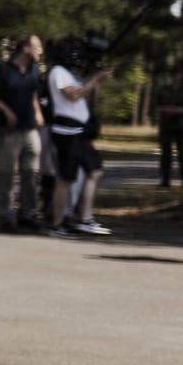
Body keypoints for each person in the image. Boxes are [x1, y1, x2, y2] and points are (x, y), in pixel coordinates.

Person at [46, 40, 113, 237]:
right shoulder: (58, 72)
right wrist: (96, 79)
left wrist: (94, 77)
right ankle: (57, 224)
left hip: (79, 131)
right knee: (65, 178)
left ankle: (86, 218)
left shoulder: (70, 74)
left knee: (95, 170)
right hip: (66, 131)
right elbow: (73, 95)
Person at [0, 34, 45, 229]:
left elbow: (33, 93)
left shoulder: (34, 69)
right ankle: (6, 216)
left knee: (31, 173)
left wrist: (38, 112)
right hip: (9, 131)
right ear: (25, 48)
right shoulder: (1, 69)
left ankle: (27, 213)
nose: (40, 51)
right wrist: (5, 109)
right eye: (37, 47)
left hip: (30, 129)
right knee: (7, 173)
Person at [153, 68, 183, 188]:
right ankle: (165, 180)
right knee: (166, 154)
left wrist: (178, 110)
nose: (175, 77)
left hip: (182, 126)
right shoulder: (163, 90)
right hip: (166, 125)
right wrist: (167, 109)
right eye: (173, 75)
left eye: (177, 75)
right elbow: (157, 107)